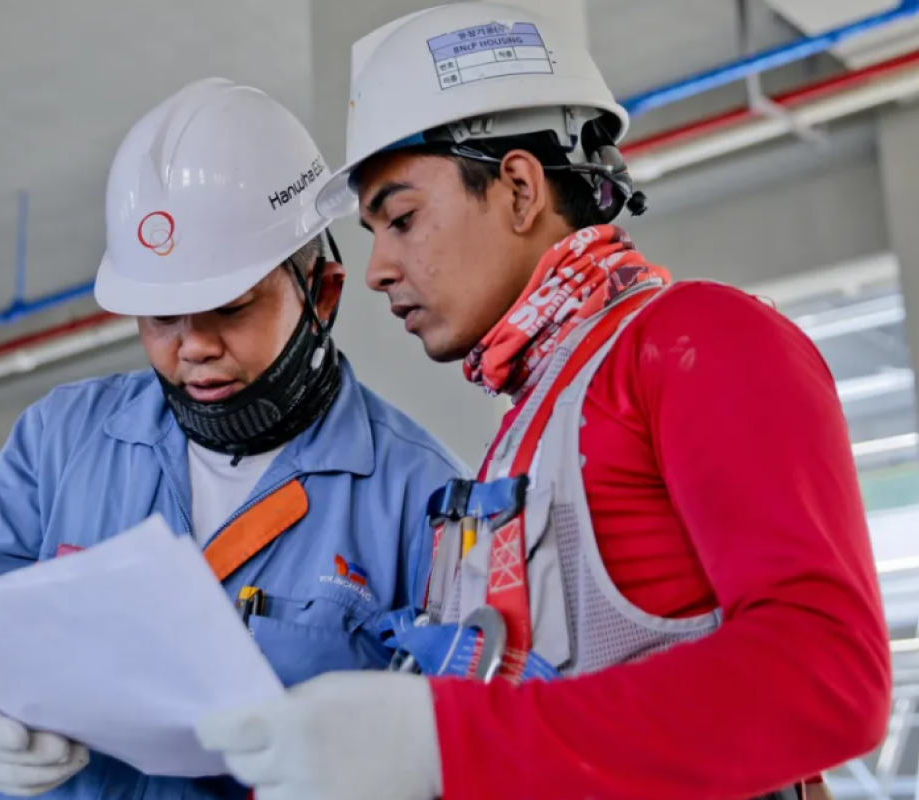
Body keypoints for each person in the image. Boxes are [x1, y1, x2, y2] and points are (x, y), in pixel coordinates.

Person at [195, 5, 892, 800]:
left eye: (401, 218)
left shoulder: (698, 341)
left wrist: (441, 743)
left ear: (520, 188)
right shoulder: (533, 425)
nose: (380, 267)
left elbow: (827, 676)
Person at [0, 77, 465, 800]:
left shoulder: (421, 498)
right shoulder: (60, 441)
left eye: (228, 308)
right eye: (160, 316)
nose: (192, 347)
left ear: (322, 292)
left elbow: (458, 730)